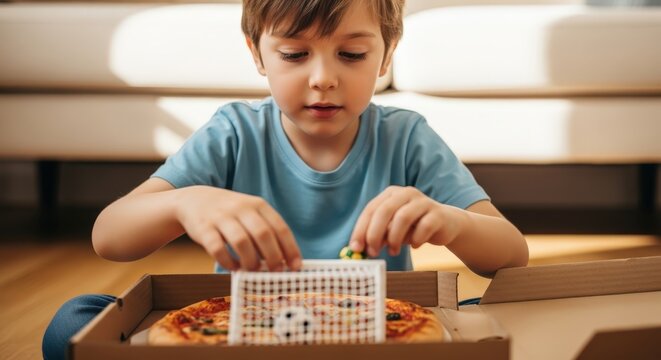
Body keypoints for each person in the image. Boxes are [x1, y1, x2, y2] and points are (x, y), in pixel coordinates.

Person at [42, 0, 529, 358]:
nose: (323, 78)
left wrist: (451, 222)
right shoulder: (233, 132)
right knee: (76, 320)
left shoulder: (406, 136)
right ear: (258, 54)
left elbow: (511, 256)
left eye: (352, 54)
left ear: (386, 55)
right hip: (242, 335)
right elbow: (108, 236)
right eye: (295, 55)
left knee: (492, 319)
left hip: (374, 337)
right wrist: (184, 203)